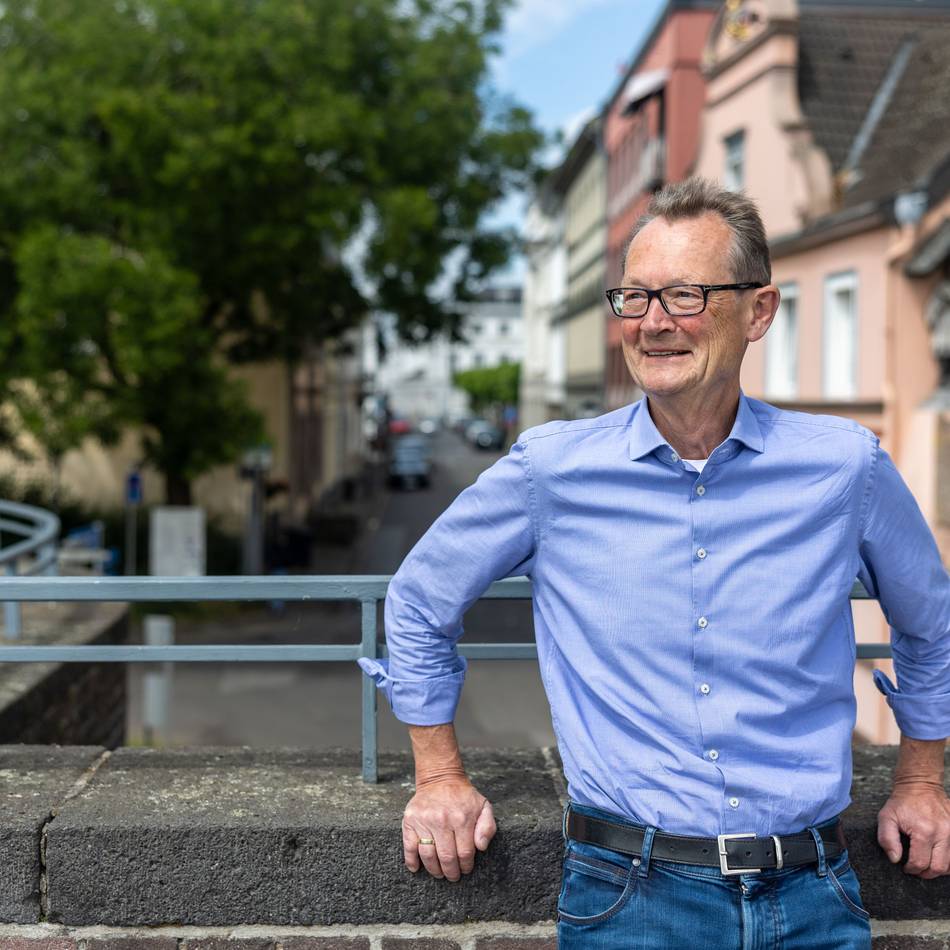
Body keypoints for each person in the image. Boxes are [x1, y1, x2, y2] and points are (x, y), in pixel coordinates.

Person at [358, 178, 950, 948]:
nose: (654, 324)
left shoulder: (846, 469)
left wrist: (920, 782)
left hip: (813, 893)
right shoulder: (552, 470)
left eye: (686, 295)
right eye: (634, 299)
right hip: (627, 900)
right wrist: (438, 778)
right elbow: (417, 603)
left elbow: (931, 625)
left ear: (760, 311)